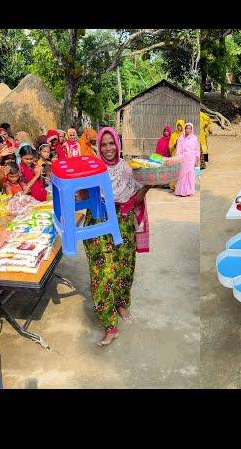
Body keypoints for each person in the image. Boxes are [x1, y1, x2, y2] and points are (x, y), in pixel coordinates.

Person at [82, 127, 152, 346]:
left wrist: (149, 183)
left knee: (124, 267)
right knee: (102, 273)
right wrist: (79, 190)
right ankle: (110, 325)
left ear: (118, 144)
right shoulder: (93, 168)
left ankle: (121, 302)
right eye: (103, 144)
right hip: (99, 222)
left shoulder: (127, 169)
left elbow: (136, 197)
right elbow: (82, 194)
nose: (108, 148)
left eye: (112, 143)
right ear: (98, 146)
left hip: (123, 222)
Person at [174, 123, 201, 197]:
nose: (188, 130)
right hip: (183, 159)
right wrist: (179, 158)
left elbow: (197, 149)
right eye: (187, 128)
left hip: (192, 159)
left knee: (190, 175)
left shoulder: (194, 138)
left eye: (190, 128)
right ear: (184, 129)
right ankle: (181, 191)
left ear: (192, 129)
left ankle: (189, 191)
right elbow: (178, 149)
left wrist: (197, 159)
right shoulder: (181, 138)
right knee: (182, 175)